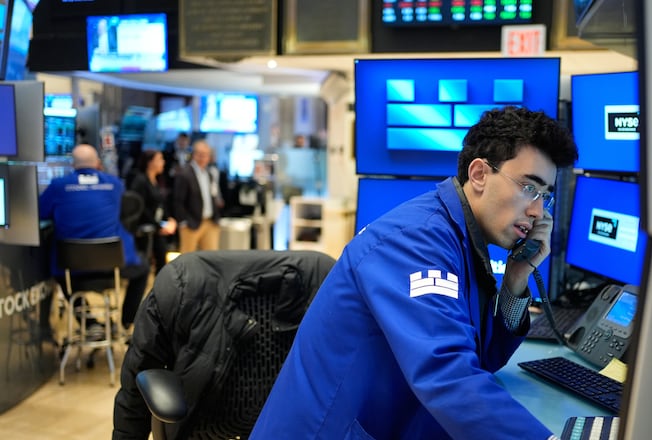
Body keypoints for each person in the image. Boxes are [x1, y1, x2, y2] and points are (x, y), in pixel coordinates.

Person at [250, 106, 578, 439]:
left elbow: (481, 359)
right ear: (479, 174)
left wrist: (515, 280)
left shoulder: (460, 240)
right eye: (529, 188)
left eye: (546, 197)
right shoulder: (416, 242)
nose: (537, 211)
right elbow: (448, 375)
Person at [39, 144, 150, 333]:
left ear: (72, 164)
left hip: (72, 269)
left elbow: (41, 212)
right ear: (98, 163)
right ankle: (124, 323)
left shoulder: (58, 186)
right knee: (143, 268)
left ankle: (89, 324)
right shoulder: (114, 184)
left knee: (58, 273)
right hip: (113, 267)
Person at [127, 150, 178, 274]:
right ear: (150, 162)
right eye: (160, 159)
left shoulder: (156, 180)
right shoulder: (140, 181)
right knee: (151, 262)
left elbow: (160, 204)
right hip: (146, 229)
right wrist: (159, 225)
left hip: (156, 226)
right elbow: (141, 208)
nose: (163, 162)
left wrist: (169, 219)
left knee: (162, 258)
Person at [171, 139, 223, 253]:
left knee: (211, 258)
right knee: (188, 258)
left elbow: (212, 196)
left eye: (206, 155)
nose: (203, 158)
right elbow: (177, 200)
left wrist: (217, 218)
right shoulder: (185, 174)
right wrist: (183, 221)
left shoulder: (209, 174)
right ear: (194, 155)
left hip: (209, 221)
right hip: (191, 222)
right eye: (200, 154)